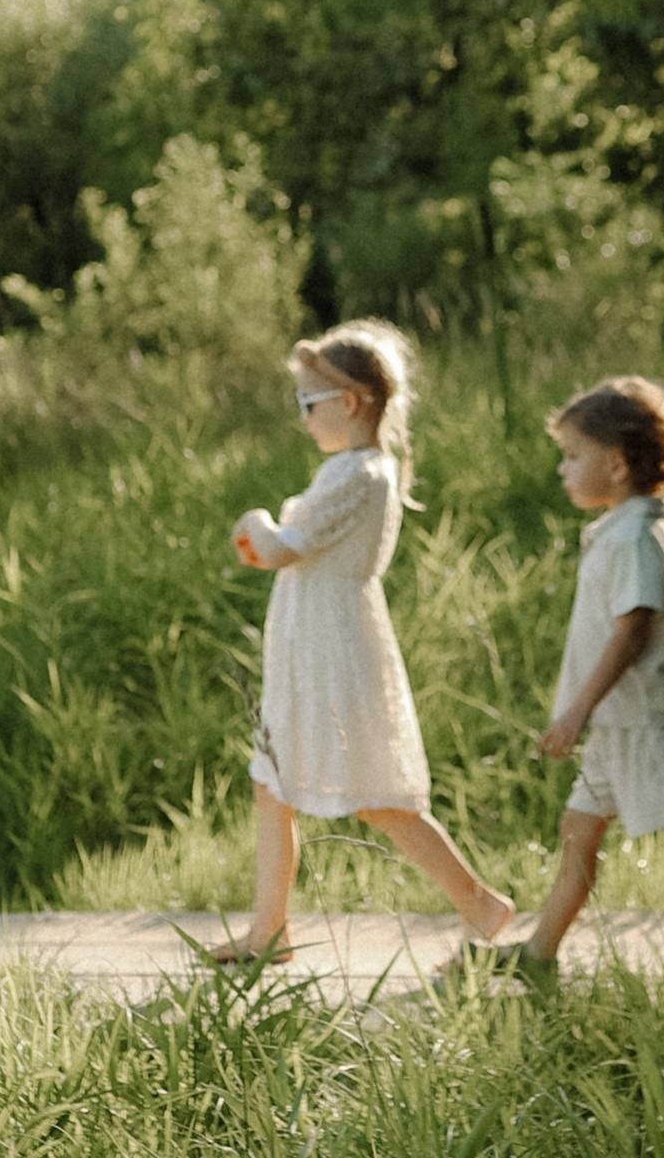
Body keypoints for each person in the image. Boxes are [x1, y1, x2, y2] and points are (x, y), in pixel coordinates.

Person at [209, 323, 516, 964]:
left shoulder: (358, 475)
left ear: (348, 403)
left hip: (334, 649)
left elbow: (277, 548)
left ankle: (481, 904)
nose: (302, 419)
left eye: (307, 404)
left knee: (378, 797)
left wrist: (254, 523)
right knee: (274, 782)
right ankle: (270, 928)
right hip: (309, 642)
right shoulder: (351, 470)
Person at [514, 373, 664, 996]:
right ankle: (537, 958)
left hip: (648, 721)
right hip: (616, 728)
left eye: (573, 456)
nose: (563, 470)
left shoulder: (639, 538)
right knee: (577, 833)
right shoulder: (618, 531)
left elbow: (632, 631)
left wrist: (576, 713)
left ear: (617, 464)